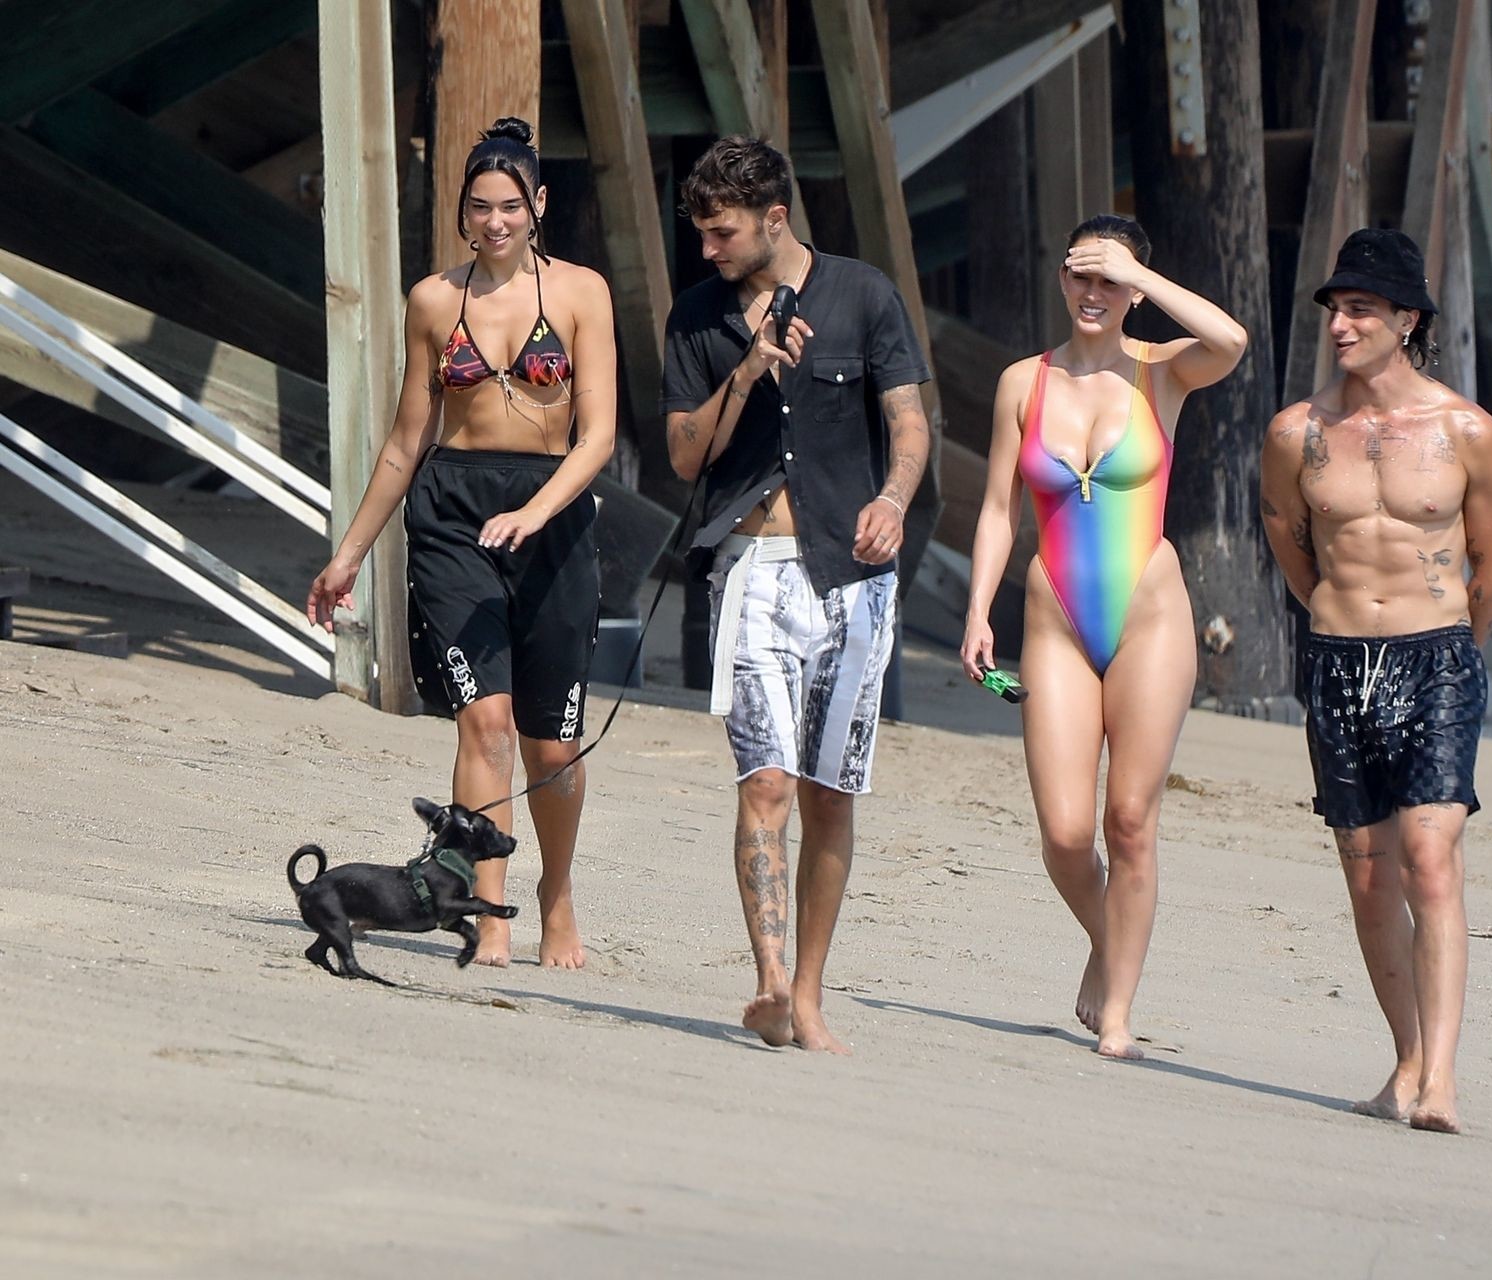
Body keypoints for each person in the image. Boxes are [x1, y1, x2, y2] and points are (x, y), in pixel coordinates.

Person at [307, 117, 616, 970]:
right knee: (485, 721)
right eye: (480, 207)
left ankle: (556, 894)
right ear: (462, 212)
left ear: (538, 204)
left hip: (552, 515)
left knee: (553, 743)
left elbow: (598, 435)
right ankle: (488, 913)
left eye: (511, 206)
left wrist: (538, 512)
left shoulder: (582, 293)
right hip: (453, 515)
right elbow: (407, 441)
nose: (495, 222)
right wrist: (349, 554)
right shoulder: (434, 301)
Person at [660, 136, 932, 1054]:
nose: (709, 250)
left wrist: (893, 500)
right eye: (702, 234)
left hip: (852, 576)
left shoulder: (864, 295)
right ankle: (771, 983)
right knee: (767, 779)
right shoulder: (697, 317)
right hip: (750, 566)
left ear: (775, 219)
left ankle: (809, 996)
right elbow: (685, 457)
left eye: (724, 234)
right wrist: (746, 368)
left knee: (830, 795)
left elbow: (908, 422)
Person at [960, 215, 1247, 1060]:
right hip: (1054, 619)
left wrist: (1139, 274)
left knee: (1128, 819)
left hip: (1149, 617)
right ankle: (1108, 938)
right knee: (1063, 833)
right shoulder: (1024, 382)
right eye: (1081, 277)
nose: (1094, 294)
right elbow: (997, 510)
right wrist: (978, 611)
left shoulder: (1163, 370)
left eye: (1110, 281)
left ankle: (1116, 1013)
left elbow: (1231, 341)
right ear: (1061, 281)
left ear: (1133, 290)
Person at [1259, 227, 1492, 1132]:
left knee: (1429, 858)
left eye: (1362, 309)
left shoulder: (1465, 432)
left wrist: (1453, 648)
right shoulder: (1296, 433)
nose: (1341, 324)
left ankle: (1441, 1080)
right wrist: (1339, 617)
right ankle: (1406, 1061)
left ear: (1408, 320)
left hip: (1437, 658)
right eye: (1335, 308)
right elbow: (1290, 544)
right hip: (1338, 664)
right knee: (1369, 875)